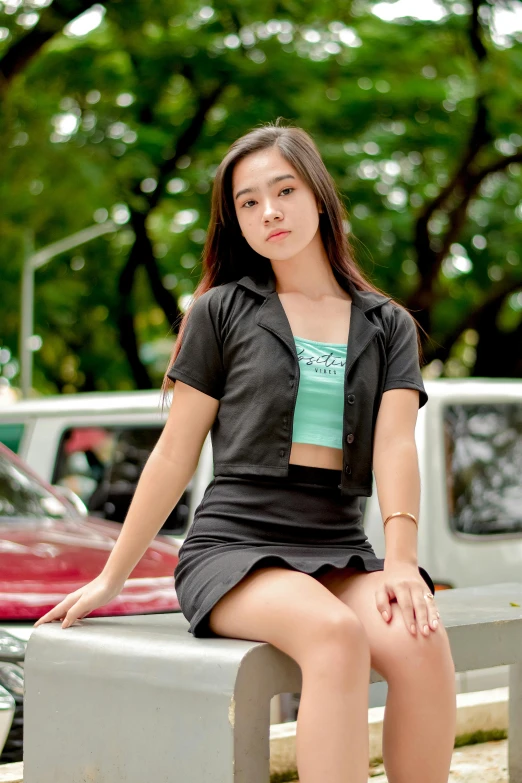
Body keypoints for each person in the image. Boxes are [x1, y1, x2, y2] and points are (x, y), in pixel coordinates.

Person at [35, 120, 457, 783]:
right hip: (236, 547)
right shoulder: (220, 311)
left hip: (338, 546)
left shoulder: (386, 324)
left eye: (284, 190)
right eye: (248, 201)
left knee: (422, 638)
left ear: (318, 195)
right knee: (334, 636)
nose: (270, 212)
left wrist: (401, 561)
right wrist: (113, 576)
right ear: (235, 220)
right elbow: (174, 455)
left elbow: (396, 444)